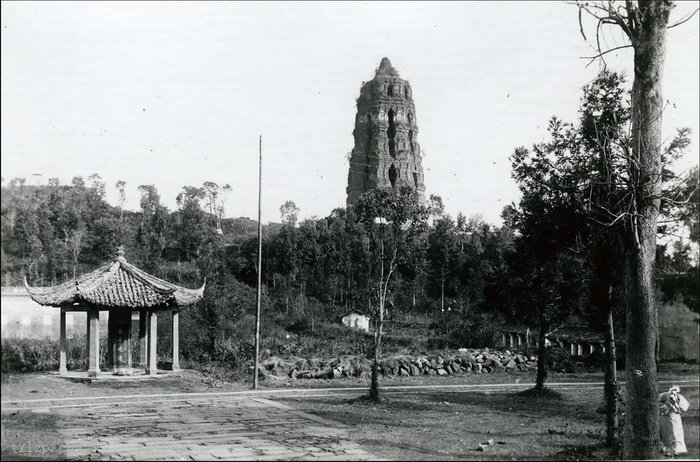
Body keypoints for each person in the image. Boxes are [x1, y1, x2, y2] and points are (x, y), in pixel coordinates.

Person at [659, 385, 690, 456]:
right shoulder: (664, 395)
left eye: (675, 391)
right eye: (672, 391)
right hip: (666, 417)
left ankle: (676, 451)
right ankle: (667, 451)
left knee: (676, 434)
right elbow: (657, 402)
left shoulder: (679, 397)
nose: (673, 392)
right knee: (666, 434)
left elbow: (685, 406)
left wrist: (678, 402)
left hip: (676, 417)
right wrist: (663, 407)